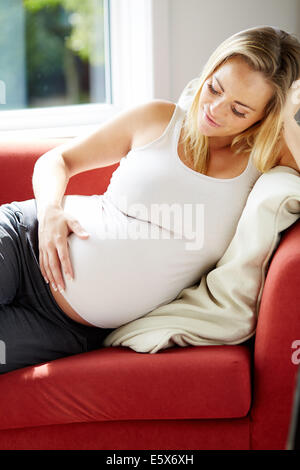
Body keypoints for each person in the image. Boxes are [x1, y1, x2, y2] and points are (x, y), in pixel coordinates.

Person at [1, 26, 300, 374]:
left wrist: (290, 101)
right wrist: (51, 211)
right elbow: (57, 161)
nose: (215, 109)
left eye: (239, 110)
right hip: (24, 243)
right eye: (214, 87)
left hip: (66, 329)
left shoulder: (263, 162)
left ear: (266, 116)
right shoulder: (158, 119)